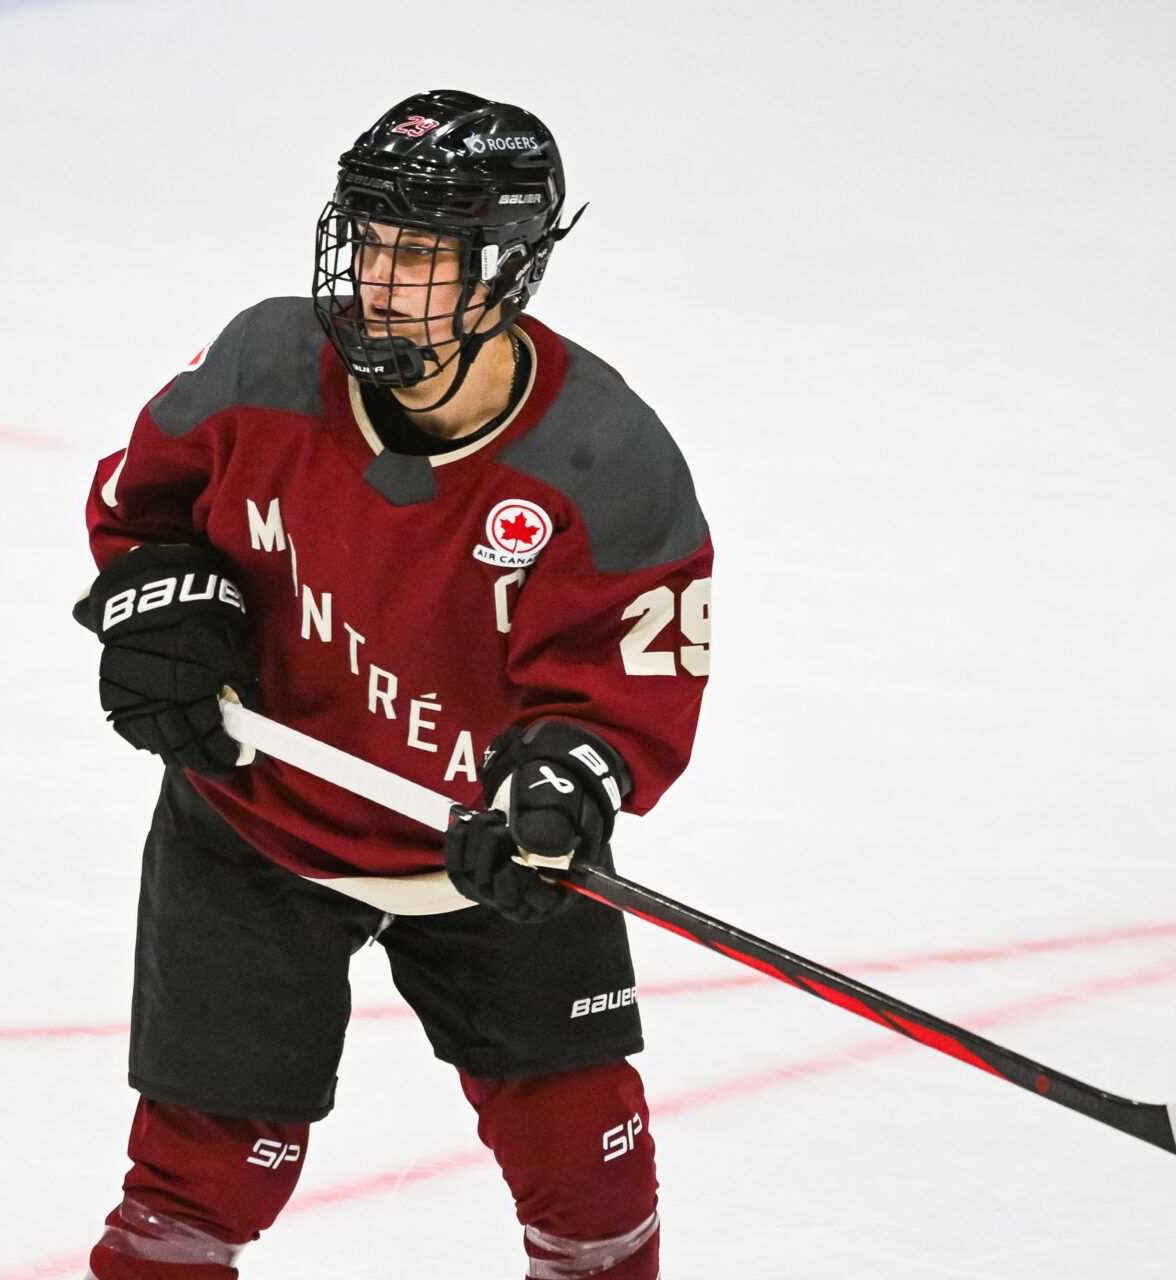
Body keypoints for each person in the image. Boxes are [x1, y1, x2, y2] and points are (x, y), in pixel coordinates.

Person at [73, 88, 711, 1279]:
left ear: (508, 267)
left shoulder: (602, 460)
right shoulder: (265, 365)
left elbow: (623, 687)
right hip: (256, 817)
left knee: (591, 1186)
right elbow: (137, 508)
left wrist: (560, 783)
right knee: (192, 1187)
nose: (377, 282)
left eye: (421, 256)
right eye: (370, 242)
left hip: (482, 855)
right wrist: (165, 599)